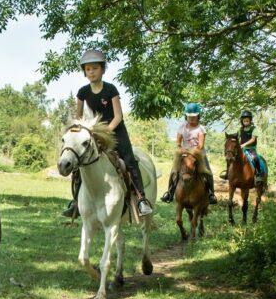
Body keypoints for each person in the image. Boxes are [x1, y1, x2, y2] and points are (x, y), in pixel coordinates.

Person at [61, 49, 155, 218]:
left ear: (102, 69)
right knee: (79, 162)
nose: (91, 72)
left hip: (116, 131)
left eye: (95, 68)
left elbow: (118, 116)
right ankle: (76, 202)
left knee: (129, 161)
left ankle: (141, 199)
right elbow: (79, 117)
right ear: (84, 72)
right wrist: (82, 133)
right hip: (93, 132)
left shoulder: (111, 89)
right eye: (88, 69)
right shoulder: (82, 92)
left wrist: (104, 133)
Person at [160, 103, 218, 204]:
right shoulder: (182, 127)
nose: (191, 119)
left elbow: (201, 145)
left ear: (198, 116)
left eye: (194, 117)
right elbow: (178, 142)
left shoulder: (201, 128)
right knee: (174, 171)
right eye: (189, 116)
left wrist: (192, 152)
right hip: (184, 154)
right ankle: (169, 193)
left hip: (198, 154)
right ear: (186, 116)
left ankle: (211, 194)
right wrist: (180, 148)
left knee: (208, 172)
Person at [221, 110, 267, 184]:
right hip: (242, 149)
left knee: (255, 158)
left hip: (251, 149)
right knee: (230, 157)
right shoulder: (240, 129)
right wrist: (230, 137)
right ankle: (227, 173)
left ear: (250, 121)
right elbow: (236, 137)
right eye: (244, 121)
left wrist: (244, 144)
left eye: (247, 121)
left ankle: (258, 175)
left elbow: (253, 139)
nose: (246, 122)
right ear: (242, 121)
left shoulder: (254, 129)